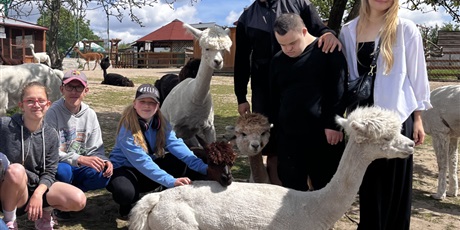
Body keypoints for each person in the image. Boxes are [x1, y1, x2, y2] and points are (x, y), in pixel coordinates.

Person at [339, 0, 432, 229]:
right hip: (364, 122)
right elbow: (346, 74)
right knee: (369, 183)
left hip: (396, 119)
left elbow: (417, 75)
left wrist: (418, 119)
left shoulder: (405, 29)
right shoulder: (348, 30)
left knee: (395, 186)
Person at [234, 0, 342, 184]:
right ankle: (278, 188)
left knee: (307, 136)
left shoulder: (299, 3)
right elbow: (242, 58)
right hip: (264, 89)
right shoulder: (247, 17)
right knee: (272, 142)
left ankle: (311, 183)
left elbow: (318, 27)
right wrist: (241, 96)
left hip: (301, 78)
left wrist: (329, 34)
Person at [268, 13, 347, 191]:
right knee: (291, 191)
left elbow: (339, 90)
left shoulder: (328, 51)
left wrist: (334, 124)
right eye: (282, 44)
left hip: (324, 136)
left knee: (325, 189)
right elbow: (274, 98)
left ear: (304, 31)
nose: (288, 49)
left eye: (292, 43)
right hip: (289, 139)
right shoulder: (277, 60)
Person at [106, 84, 210, 218]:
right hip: (124, 169)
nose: (147, 106)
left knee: (180, 161)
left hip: (146, 168)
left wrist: (204, 168)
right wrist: (170, 180)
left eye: (151, 102)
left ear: (158, 106)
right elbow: (141, 161)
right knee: (125, 193)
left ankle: (166, 199)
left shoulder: (161, 123)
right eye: (142, 101)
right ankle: (126, 204)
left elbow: (176, 145)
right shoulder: (127, 127)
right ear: (135, 103)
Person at [0, 82, 86, 230]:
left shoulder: (51, 134)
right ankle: (10, 221)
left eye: (41, 100)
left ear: (48, 104)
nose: (36, 105)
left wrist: (38, 195)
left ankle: (45, 214)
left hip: (35, 187)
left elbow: (50, 171)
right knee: (16, 170)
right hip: (10, 188)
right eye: (30, 101)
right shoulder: (5, 125)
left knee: (78, 199)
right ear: (21, 105)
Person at [45, 70, 112, 219]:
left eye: (78, 88)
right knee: (64, 172)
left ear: (86, 91)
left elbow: (96, 148)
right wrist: (79, 159)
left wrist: (105, 161)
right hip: (61, 163)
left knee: (103, 174)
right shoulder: (52, 113)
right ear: (62, 89)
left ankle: (73, 194)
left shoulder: (90, 114)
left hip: (81, 165)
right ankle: (58, 201)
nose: (74, 92)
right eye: (69, 87)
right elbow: (50, 151)